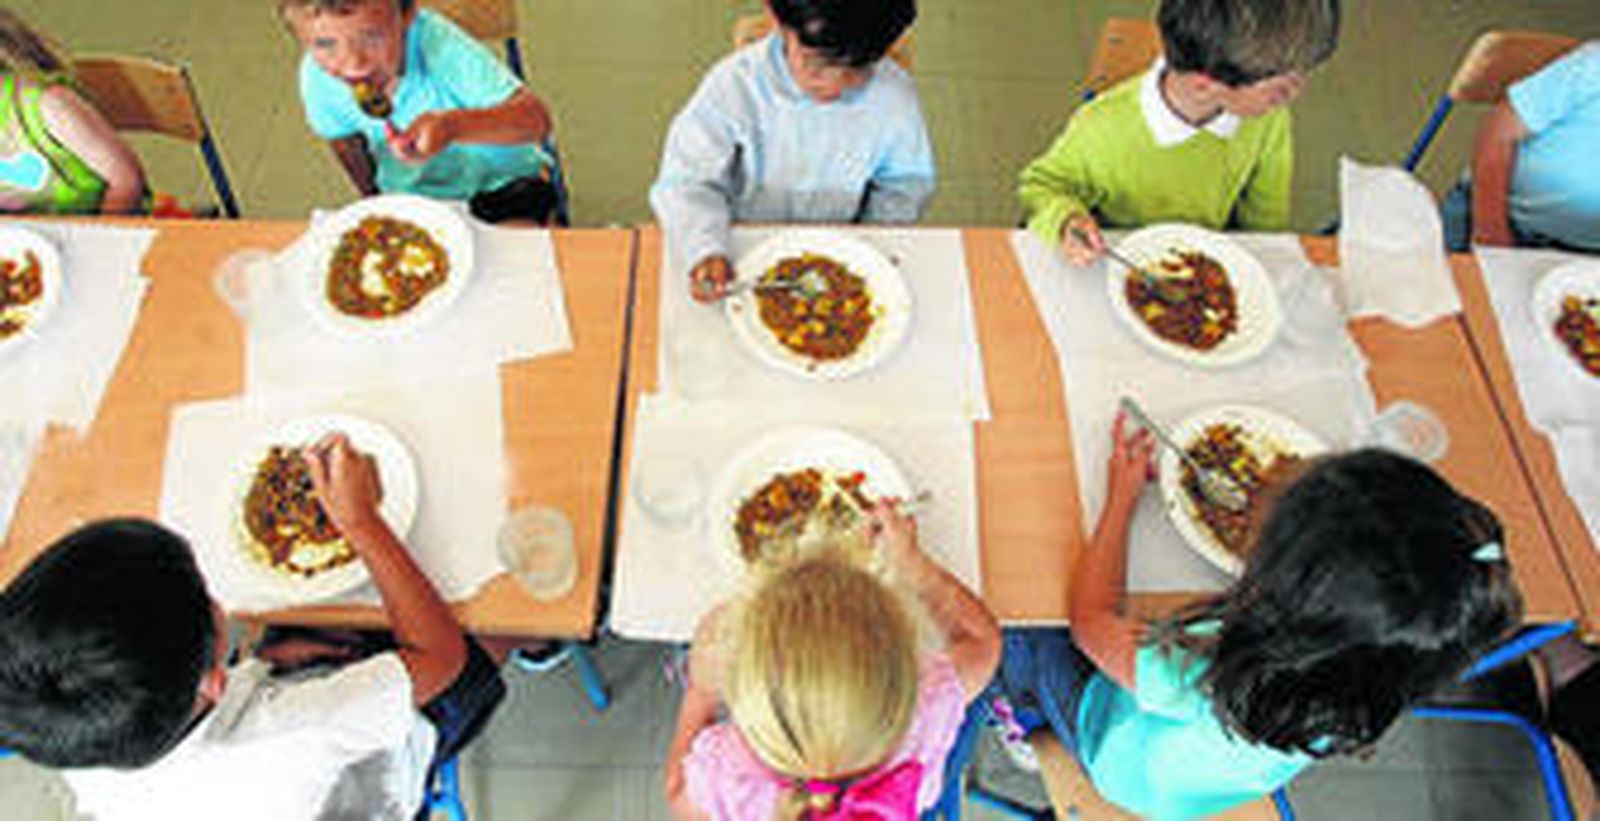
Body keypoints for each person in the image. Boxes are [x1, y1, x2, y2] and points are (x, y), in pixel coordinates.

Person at [995, 413, 1523, 819]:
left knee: (1020, 623)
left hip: (1119, 768)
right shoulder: (1370, 676)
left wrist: (1121, 500)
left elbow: (1089, 622)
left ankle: (1026, 722)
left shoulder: (1207, 669)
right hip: (1195, 792)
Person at [0, 434, 505, 820]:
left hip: (262, 714)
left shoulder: (64, 728)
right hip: (375, 776)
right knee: (500, 617)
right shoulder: (299, 732)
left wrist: (259, 668)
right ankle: (533, 646)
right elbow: (440, 657)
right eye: (205, 594)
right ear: (211, 680)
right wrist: (361, 521)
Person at [663, 502, 1001, 818]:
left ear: (737, 678)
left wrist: (702, 692)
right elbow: (981, 641)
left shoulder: (729, 772)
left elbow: (678, 792)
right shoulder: (926, 706)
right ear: (906, 663)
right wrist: (912, 564)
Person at [650, 0, 934, 303]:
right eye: (817, 65)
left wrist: (869, 240)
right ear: (774, 14)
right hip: (743, 244)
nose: (834, 86)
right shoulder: (733, 86)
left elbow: (905, 184)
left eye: (858, 69)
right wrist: (705, 248)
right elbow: (687, 182)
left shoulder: (894, 99)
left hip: (842, 242)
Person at [1019, 0, 1340, 266]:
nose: (1295, 94)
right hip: (1113, 264)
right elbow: (1042, 187)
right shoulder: (1103, 129)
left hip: (1205, 264)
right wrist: (1065, 221)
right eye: (1279, 89)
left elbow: (1264, 223)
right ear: (1204, 86)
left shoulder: (1269, 121)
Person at [280, 0, 562, 224]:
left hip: (502, 185)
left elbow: (536, 119)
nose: (354, 64)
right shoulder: (317, 79)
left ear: (407, 15)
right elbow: (345, 143)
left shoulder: (440, 47)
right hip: (414, 197)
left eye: (372, 36)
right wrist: (371, 198)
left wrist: (453, 127)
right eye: (324, 44)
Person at [1442, 41, 1600, 253]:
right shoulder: (1592, 67)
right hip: (1491, 212)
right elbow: (1497, 136)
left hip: (1581, 252)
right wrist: (1491, 235)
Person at [0, 8, 145, 215]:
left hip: (98, 221)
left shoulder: (50, 106)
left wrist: (98, 231)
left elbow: (126, 181)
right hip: (28, 228)